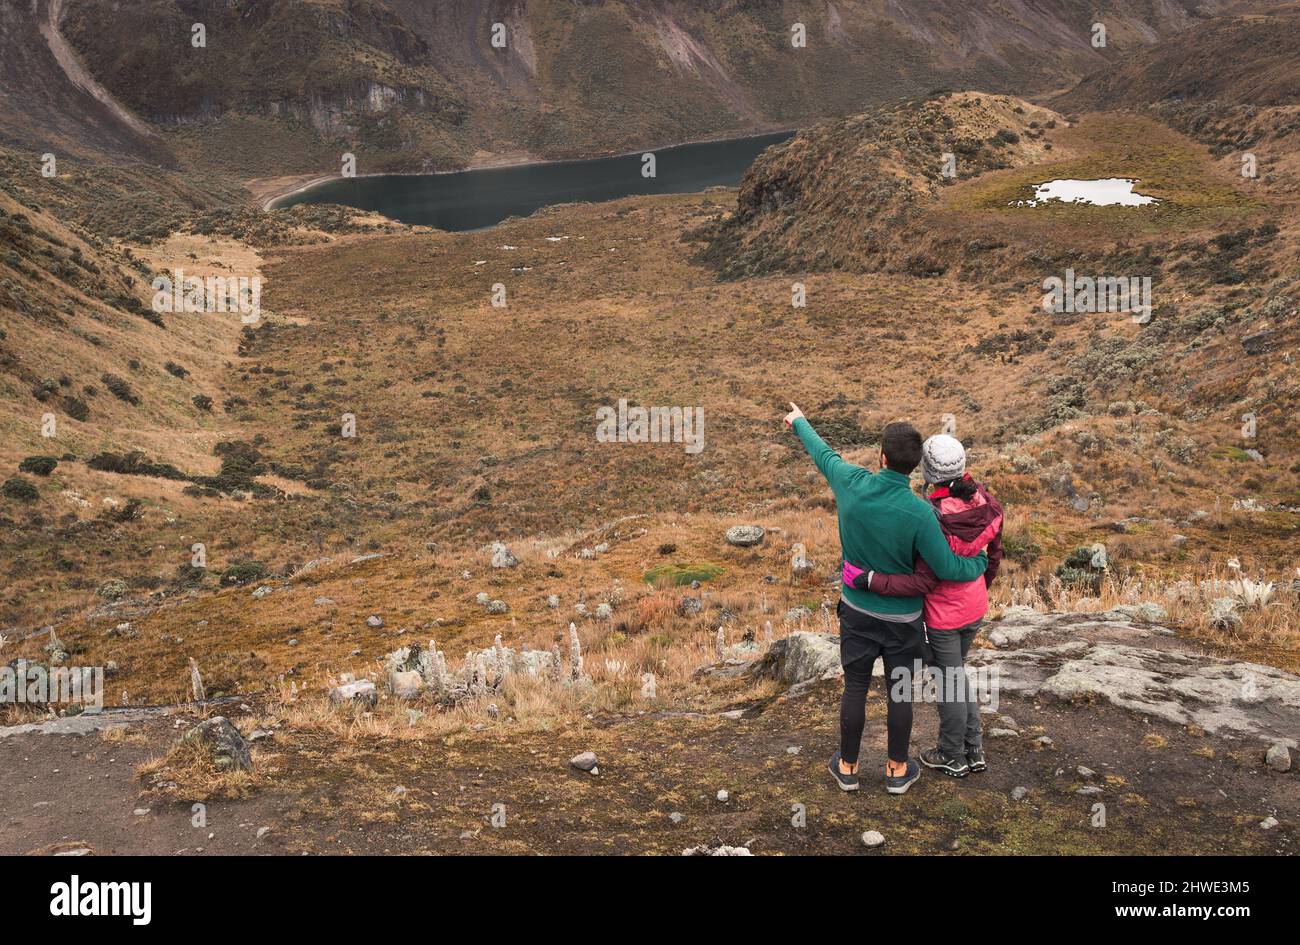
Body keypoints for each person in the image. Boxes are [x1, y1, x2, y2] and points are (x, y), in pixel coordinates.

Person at [783, 405, 988, 794]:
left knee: (855, 687)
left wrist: (799, 420)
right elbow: (946, 567)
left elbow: (822, 452)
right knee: (899, 691)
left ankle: (847, 768)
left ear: (882, 457)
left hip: (857, 612)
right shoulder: (921, 513)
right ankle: (896, 771)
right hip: (904, 622)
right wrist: (977, 563)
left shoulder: (850, 482)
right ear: (914, 468)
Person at [846, 434, 1004, 778]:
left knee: (948, 681)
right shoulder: (986, 503)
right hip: (975, 605)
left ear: (927, 471)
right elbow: (993, 556)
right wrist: (979, 585)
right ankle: (973, 747)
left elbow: (926, 578)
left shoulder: (933, 515)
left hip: (945, 614)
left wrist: (872, 580)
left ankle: (952, 754)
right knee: (956, 674)